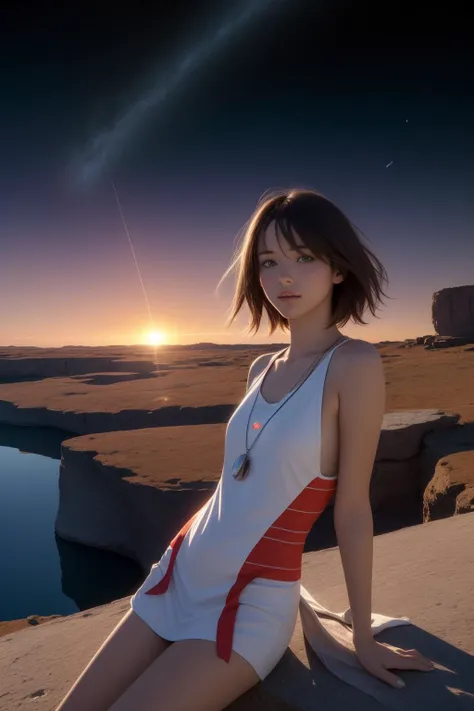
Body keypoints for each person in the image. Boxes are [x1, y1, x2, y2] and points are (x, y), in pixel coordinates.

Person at [55, 188, 434, 711]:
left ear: (339, 269)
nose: (284, 277)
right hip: (177, 575)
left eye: (304, 258)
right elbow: (237, 485)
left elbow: (351, 509)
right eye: (269, 261)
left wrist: (363, 638)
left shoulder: (354, 365)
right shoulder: (260, 368)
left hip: (249, 604)